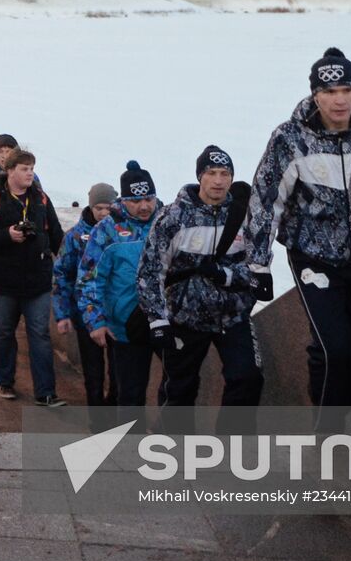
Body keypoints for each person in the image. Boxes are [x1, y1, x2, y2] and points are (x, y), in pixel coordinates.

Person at [245, 47, 351, 430]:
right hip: (313, 257)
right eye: (328, 92)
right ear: (314, 94)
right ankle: (328, 428)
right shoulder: (289, 139)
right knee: (335, 349)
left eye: (346, 89)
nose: (338, 100)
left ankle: (332, 406)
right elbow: (264, 200)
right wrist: (257, 264)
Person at [137, 146, 265, 432]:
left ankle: (231, 444)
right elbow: (149, 270)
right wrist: (157, 319)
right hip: (185, 317)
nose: (218, 180)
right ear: (200, 177)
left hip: (233, 315)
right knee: (179, 387)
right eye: (212, 173)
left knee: (248, 376)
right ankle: (172, 446)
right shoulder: (172, 217)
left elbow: (260, 266)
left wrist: (226, 275)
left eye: (225, 174)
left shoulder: (247, 217)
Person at [0, 148, 65, 407]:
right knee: (3, 332)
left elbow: (56, 235)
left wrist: (63, 265)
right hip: (3, 281)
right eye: (24, 168)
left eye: (32, 168)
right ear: (10, 171)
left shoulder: (41, 200)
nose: (30, 173)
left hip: (38, 280)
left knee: (40, 335)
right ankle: (4, 381)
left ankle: (46, 392)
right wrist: (6, 235)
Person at [77, 162, 163, 407]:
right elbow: (88, 278)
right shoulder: (106, 230)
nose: (144, 206)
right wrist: (95, 321)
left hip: (167, 322)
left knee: (177, 387)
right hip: (125, 327)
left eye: (149, 198)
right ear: (123, 200)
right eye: (136, 200)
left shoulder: (168, 223)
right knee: (130, 395)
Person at [53, 182, 119, 406]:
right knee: (93, 370)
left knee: (119, 370)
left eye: (108, 208)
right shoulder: (74, 236)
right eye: (98, 208)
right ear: (90, 207)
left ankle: (112, 405)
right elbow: (61, 273)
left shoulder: (123, 232)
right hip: (86, 312)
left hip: (117, 312)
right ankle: (96, 416)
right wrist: (62, 314)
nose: (103, 213)